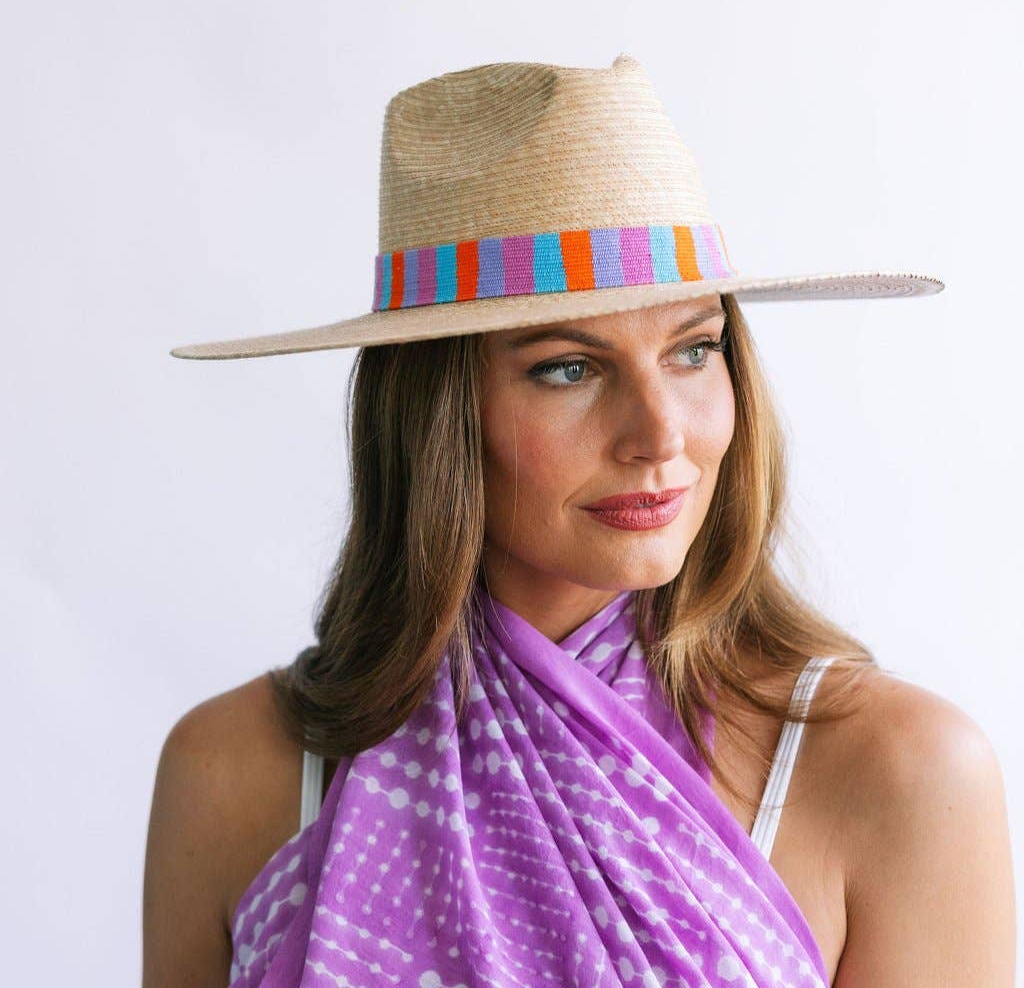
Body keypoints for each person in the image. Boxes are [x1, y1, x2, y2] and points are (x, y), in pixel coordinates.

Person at [143, 55, 1015, 987]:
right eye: (569, 367)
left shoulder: (900, 776)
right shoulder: (233, 773)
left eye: (694, 349)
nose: (660, 434)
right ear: (437, 416)